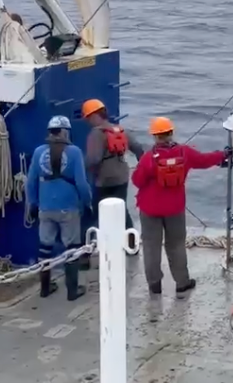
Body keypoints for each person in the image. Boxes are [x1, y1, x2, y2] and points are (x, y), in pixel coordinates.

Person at [131, 116, 232, 297]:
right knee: (176, 245)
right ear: (171, 133)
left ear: (155, 136)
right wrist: (223, 154)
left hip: (150, 209)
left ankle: (154, 285)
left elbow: (137, 181)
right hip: (175, 209)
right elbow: (204, 160)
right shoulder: (184, 153)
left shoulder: (148, 158)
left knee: (151, 246)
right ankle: (182, 283)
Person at [24, 115, 95, 301]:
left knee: (44, 247)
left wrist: (32, 203)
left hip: (45, 208)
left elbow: (30, 182)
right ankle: (72, 290)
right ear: (66, 131)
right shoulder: (74, 152)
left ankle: (45, 288)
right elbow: (81, 183)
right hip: (68, 208)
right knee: (71, 247)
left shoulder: (39, 151)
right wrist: (87, 203)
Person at [81, 98, 144, 251]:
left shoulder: (96, 134)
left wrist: (83, 169)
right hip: (122, 177)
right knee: (122, 211)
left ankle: (89, 249)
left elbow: (93, 159)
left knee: (97, 213)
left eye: (88, 118)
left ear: (94, 116)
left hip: (104, 180)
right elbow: (138, 149)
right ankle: (131, 244)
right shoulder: (119, 130)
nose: (88, 121)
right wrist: (141, 167)